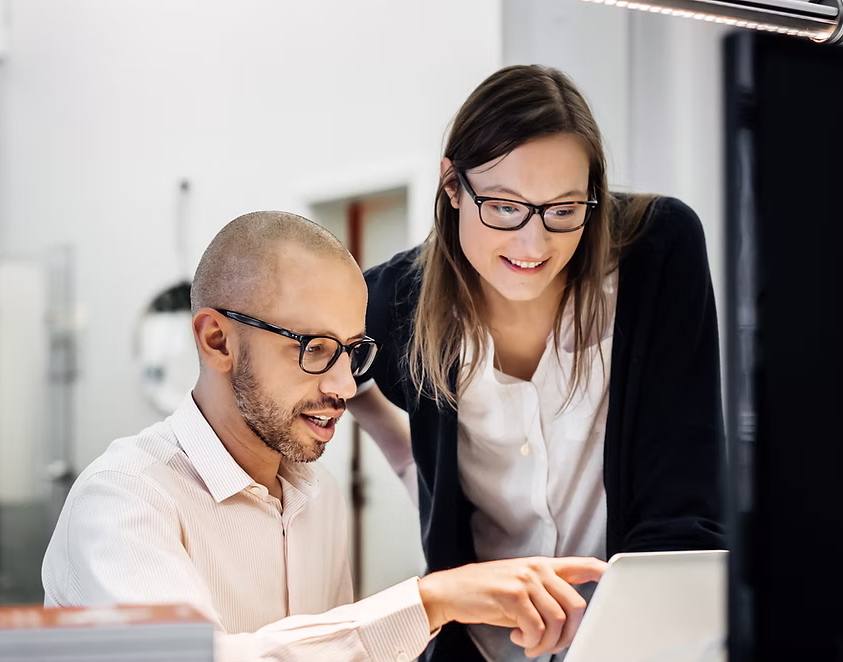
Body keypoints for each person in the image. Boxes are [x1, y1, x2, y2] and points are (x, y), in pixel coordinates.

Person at [41, 211, 607, 662]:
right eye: (314, 348)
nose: (343, 385)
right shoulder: (123, 499)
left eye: (353, 351)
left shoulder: (319, 495)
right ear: (217, 340)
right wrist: (433, 599)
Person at [348, 65, 726, 662]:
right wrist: (392, 443)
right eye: (504, 207)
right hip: (476, 648)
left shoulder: (658, 254)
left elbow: (683, 503)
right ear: (452, 186)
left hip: (634, 643)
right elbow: (291, 364)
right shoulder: (394, 302)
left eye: (563, 209)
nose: (534, 245)